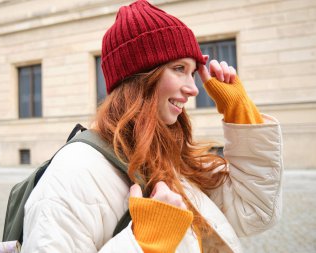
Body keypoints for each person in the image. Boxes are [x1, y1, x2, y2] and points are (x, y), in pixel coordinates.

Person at [21, 0, 283, 252]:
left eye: (193, 72)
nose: (194, 89)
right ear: (140, 78)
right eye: (179, 68)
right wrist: (147, 243)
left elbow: (254, 213)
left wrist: (241, 113)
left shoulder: (170, 157)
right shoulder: (74, 172)